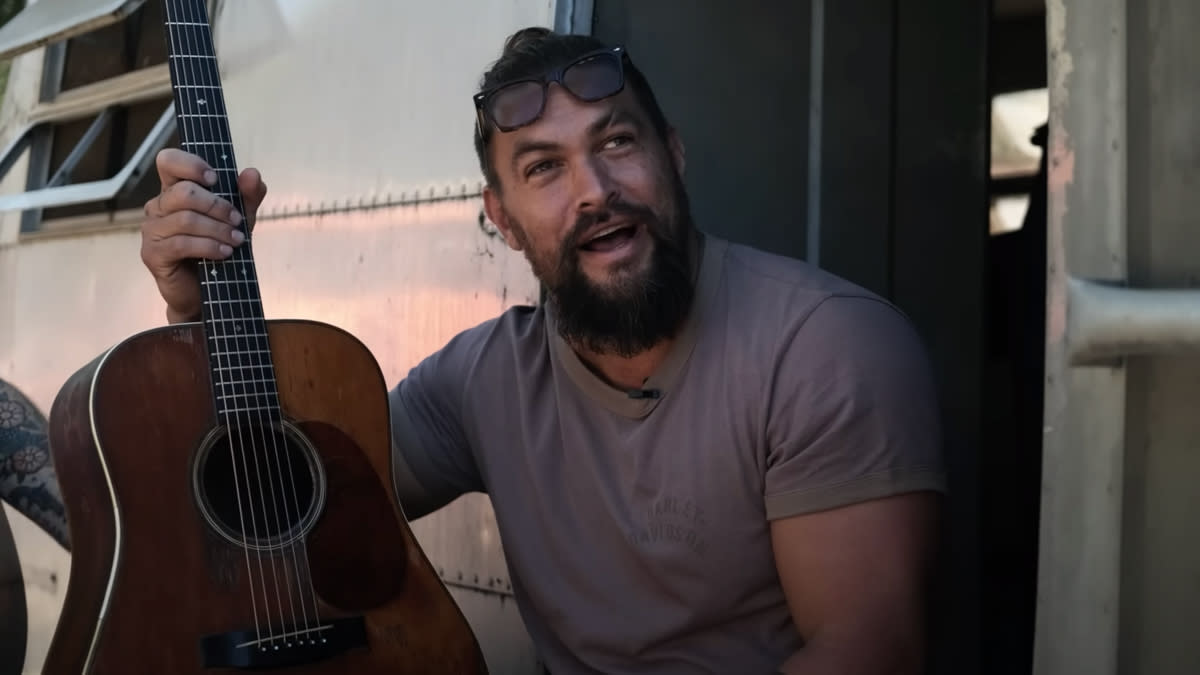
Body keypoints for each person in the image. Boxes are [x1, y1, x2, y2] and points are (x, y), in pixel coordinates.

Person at [139, 26, 945, 675]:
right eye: (544, 168)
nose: (594, 190)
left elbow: (866, 648)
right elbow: (280, 517)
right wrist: (196, 309)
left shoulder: (825, 344)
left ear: (674, 154)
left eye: (618, 143)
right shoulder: (481, 380)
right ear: (502, 216)